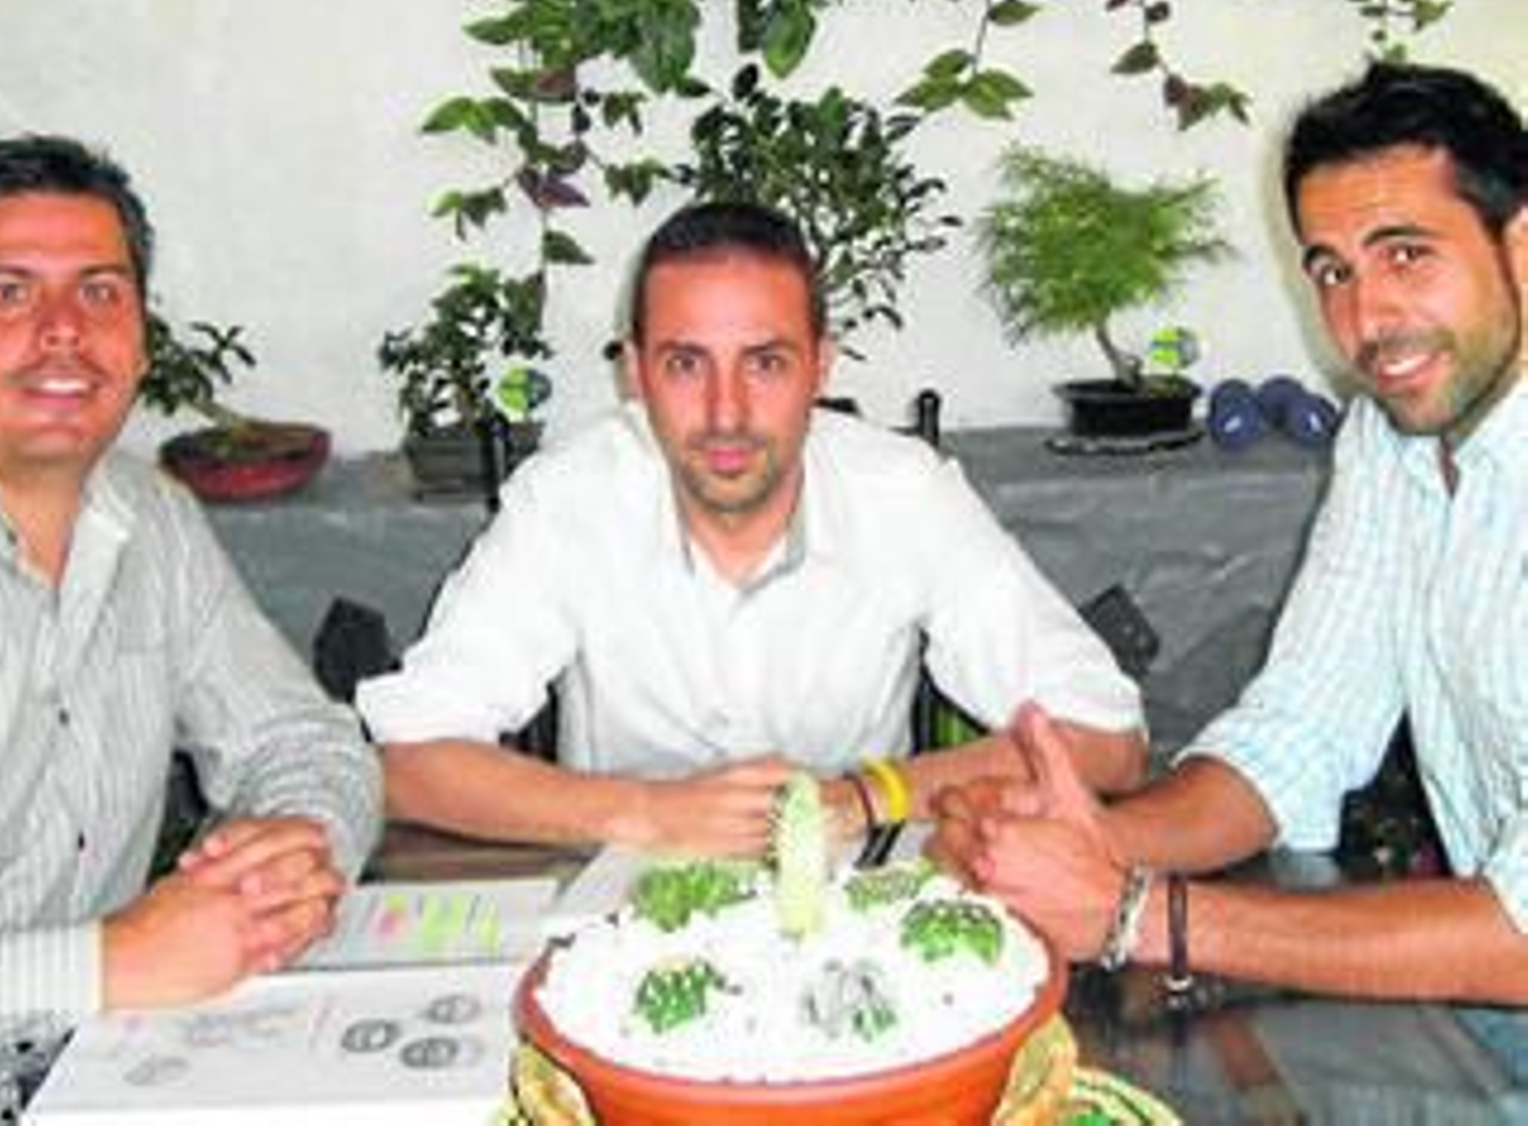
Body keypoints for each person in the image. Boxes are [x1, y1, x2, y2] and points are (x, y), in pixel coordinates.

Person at [930, 61, 1528, 1075]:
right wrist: (1095, 838)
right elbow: (1297, 731)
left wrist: (1133, 912)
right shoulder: (1387, 446)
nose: (1366, 320)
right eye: (1332, 270)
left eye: (1406, 255)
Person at [358, 200, 1144, 858]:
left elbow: (1106, 737)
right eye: (685, 364)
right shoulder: (566, 500)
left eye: (764, 363)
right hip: (621, 921)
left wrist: (868, 794)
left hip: (862, 915)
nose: (726, 413)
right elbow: (407, 760)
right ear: (634, 373)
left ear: (821, 366)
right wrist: (646, 811)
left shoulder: (905, 493)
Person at [0, 136, 381, 1100]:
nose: (62, 330)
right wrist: (104, 962)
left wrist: (287, 863)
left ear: (139, 337)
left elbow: (307, 741)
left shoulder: (154, 521)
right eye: (8, 292)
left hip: (109, 1073)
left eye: (99, 291)